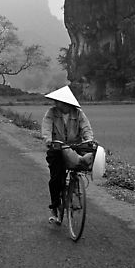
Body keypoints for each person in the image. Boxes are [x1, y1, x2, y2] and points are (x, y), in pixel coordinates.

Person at [41, 85, 95, 224]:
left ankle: (74, 189)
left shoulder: (78, 114)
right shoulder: (51, 113)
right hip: (57, 148)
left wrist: (88, 139)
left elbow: (86, 128)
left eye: (58, 101)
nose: (56, 103)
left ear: (65, 103)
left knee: (81, 164)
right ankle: (54, 208)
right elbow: (46, 128)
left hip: (74, 147)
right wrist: (48, 140)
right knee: (56, 178)